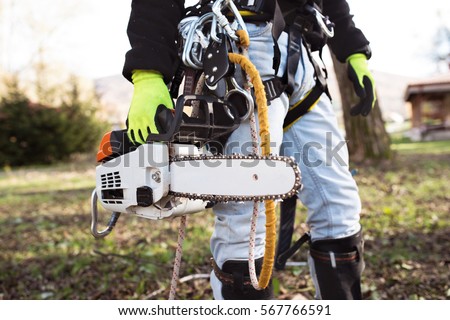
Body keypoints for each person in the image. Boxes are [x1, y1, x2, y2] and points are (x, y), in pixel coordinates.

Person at [122, 0, 376, 300]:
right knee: (245, 223)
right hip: (237, 48)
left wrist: (355, 51)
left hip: (302, 54)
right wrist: (148, 73)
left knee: (340, 209)